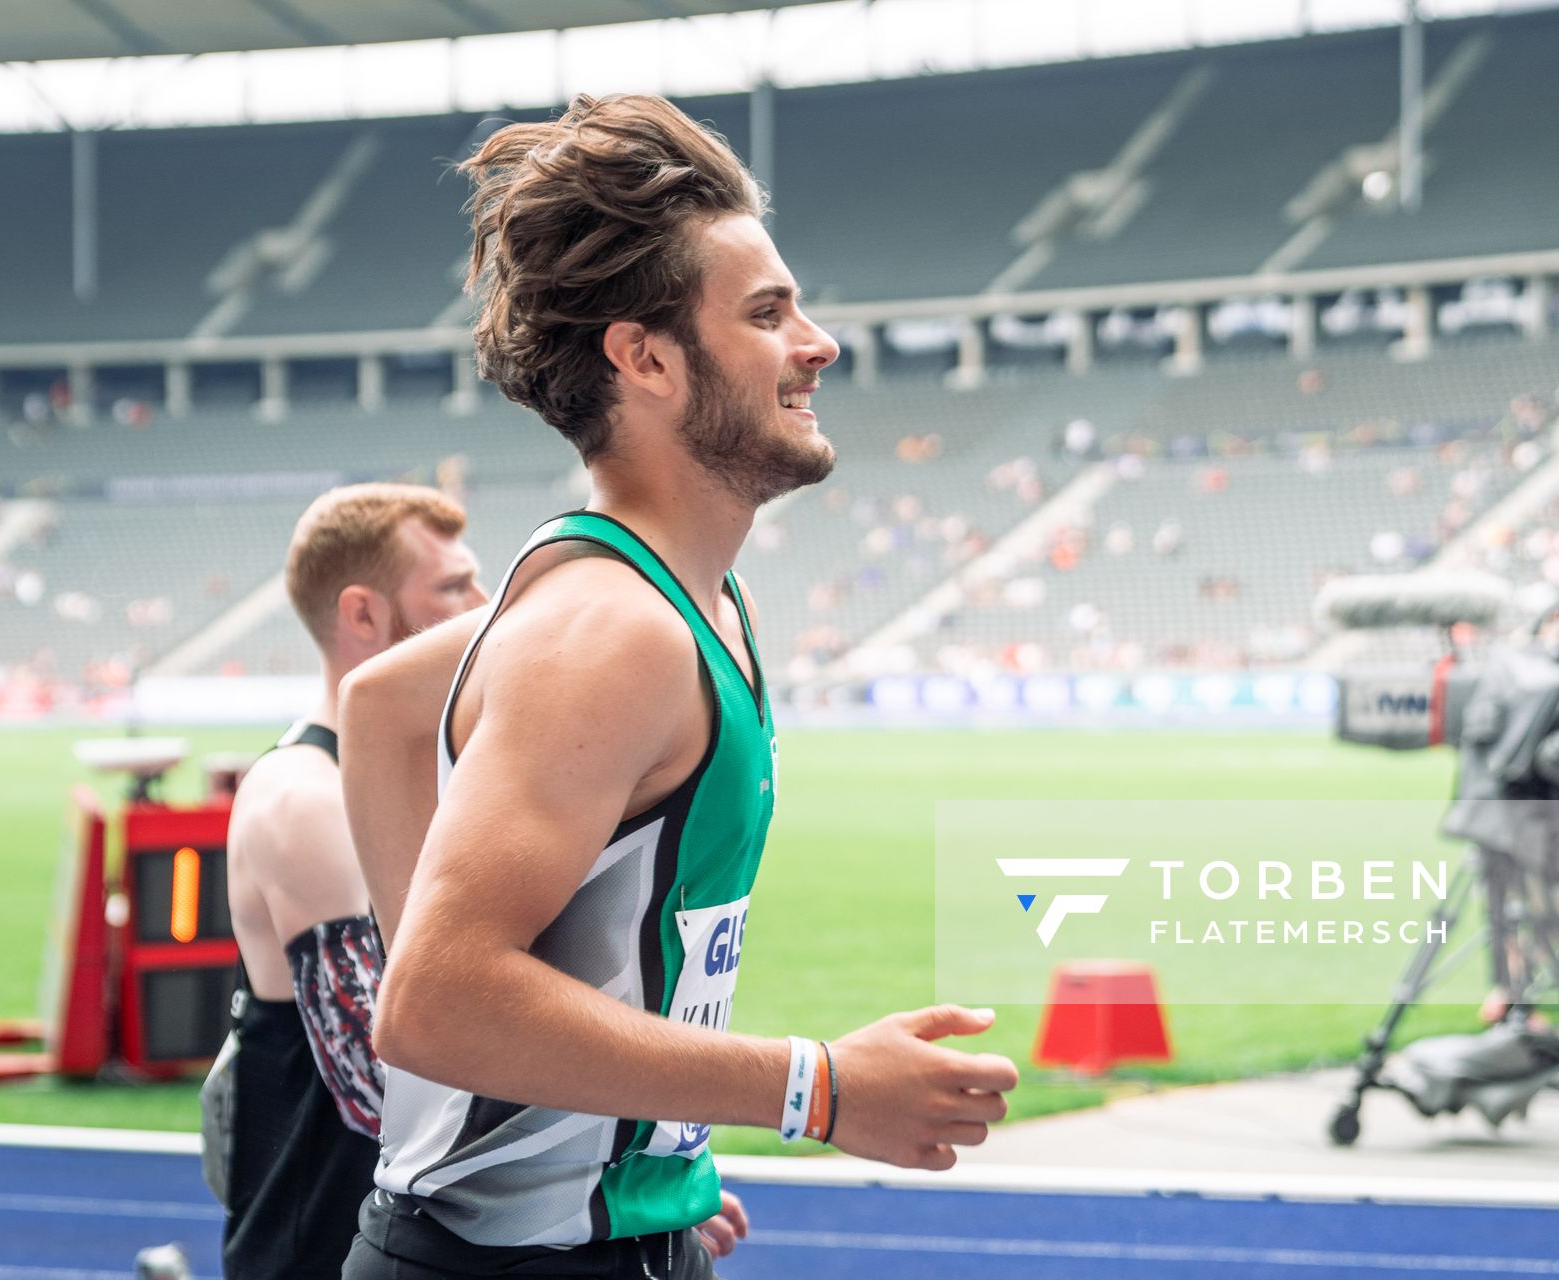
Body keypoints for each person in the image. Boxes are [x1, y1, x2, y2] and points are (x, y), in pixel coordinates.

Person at [338, 94, 1018, 1279]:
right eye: (769, 313)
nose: (821, 342)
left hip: (593, 1233)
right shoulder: (611, 632)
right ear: (645, 357)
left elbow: (382, 708)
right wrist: (820, 1087)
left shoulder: (672, 602)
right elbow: (433, 1002)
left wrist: (617, 1147)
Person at [219, 483, 485, 1279]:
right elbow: (387, 1084)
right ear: (363, 615)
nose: (485, 606)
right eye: (452, 588)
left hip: (418, 1244)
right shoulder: (305, 798)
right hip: (319, 1253)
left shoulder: (432, 778)